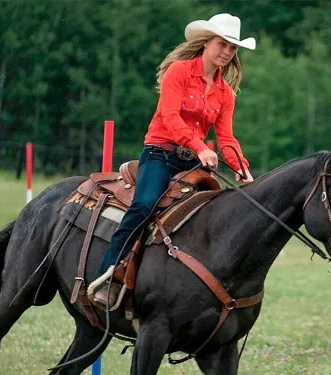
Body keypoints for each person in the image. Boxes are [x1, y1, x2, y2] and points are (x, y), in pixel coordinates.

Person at [90, 13, 256, 308]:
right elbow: (170, 117)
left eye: (233, 48)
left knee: (213, 215)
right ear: (206, 42)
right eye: (223, 44)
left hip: (193, 161)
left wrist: (241, 167)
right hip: (159, 153)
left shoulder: (225, 94)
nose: (227, 52)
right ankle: (108, 275)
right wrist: (199, 147)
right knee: (144, 204)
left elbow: (227, 139)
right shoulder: (178, 72)